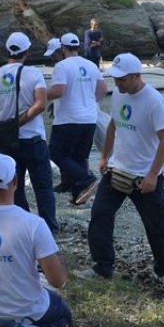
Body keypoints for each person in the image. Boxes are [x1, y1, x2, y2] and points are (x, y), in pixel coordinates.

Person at [79, 53, 164, 289]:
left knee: (156, 226)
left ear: (135, 76)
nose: (118, 83)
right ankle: (102, 267)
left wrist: (153, 174)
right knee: (100, 216)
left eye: (122, 79)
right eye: (115, 78)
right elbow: (113, 125)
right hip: (117, 170)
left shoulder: (153, 101)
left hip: (145, 175)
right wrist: (104, 156)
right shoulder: (118, 96)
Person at [0, 153, 72, 327]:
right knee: (61, 310)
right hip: (26, 313)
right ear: (16, 180)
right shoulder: (34, 224)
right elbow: (57, 281)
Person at [0, 32, 57, 233]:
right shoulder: (34, 74)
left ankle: (21, 224)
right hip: (33, 139)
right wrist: (19, 122)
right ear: (27, 52)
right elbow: (41, 105)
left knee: (13, 186)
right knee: (43, 186)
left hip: (7, 141)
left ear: (8, 50)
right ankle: (48, 227)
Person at [44, 32, 107, 206]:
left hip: (68, 119)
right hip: (89, 118)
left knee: (56, 153)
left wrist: (39, 95)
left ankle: (86, 180)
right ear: (77, 46)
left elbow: (58, 91)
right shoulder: (91, 65)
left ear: (63, 48)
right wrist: (87, 101)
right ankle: (79, 195)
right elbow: (102, 89)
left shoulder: (62, 66)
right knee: (79, 156)